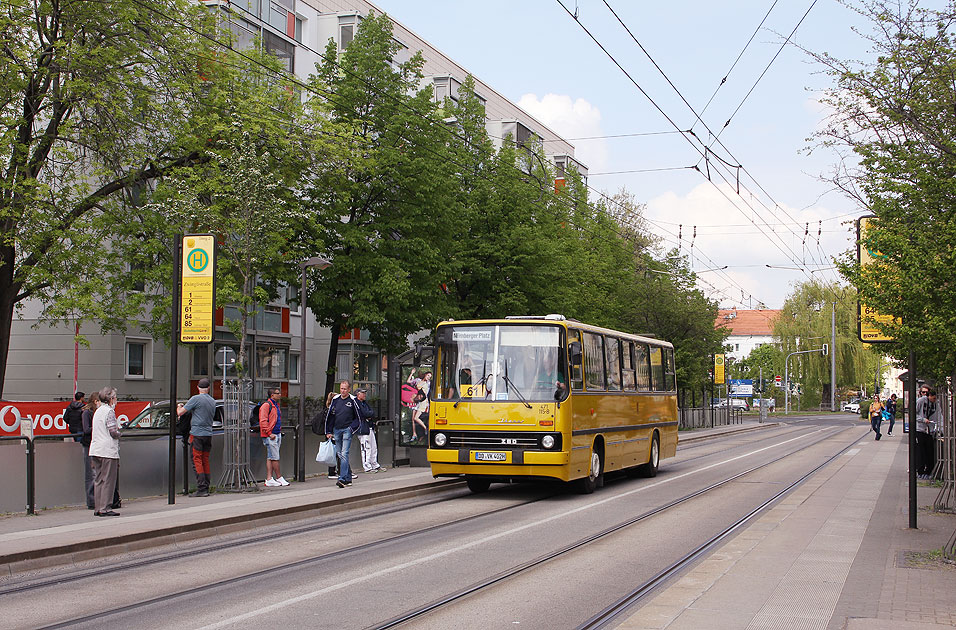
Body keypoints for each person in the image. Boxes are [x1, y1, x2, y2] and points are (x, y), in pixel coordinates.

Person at [177, 377, 216, 496]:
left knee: (197, 460)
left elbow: (181, 413)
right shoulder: (212, 401)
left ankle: (201, 488)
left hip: (197, 434)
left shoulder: (195, 399)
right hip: (208, 434)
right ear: (209, 388)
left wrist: (179, 406)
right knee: (205, 460)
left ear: (198, 387)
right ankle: (207, 485)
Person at [324, 380, 363, 488]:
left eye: (345, 389)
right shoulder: (336, 400)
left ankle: (342, 478)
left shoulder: (353, 400)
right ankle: (348, 477)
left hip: (347, 429)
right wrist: (328, 431)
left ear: (349, 389)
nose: (343, 391)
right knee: (340, 454)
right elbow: (330, 416)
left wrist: (351, 429)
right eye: (341, 388)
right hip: (337, 429)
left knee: (344, 453)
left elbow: (358, 417)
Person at [89, 387, 121, 517]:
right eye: (115, 397)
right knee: (109, 479)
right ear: (111, 399)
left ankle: (98, 507)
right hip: (107, 450)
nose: (116, 400)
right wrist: (120, 433)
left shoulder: (98, 411)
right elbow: (113, 432)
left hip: (95, 449)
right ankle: (105, 507)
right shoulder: (109, 412)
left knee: (98, 479)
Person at [259, 387, 288, 487]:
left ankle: (269, 478)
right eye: (277, 393)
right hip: (271, 435)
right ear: (272, 395)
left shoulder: (275, 405)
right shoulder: (267, 405)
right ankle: (279, 477)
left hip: (275, 433)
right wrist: (269, 433)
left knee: (271, 456)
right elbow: (263, 421)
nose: (279, 395)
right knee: (275, 457)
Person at [355, 388, 386, 474]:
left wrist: (369, 414)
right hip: (362, 428)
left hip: (369, 426)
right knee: (366, 447)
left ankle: (374, 463)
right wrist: (368, 414)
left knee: (373, 446)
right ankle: (367, 466)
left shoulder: (364, 403)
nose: (365, 395)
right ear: (358, 394)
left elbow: (372, 413)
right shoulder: (357, 403)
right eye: (363, 393)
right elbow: (364, 413)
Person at [915, 388, 940, 479]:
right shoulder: (921, 401)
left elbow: (938, 414)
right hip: (920, 429)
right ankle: (920, 471)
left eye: (935, 399)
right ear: (929, 396)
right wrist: (922, 420)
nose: (934, 400)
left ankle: (929, 471)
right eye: (933, 398)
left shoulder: (936, 404)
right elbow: (914, 413)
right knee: (921, 451)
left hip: (930, 430)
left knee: (929, 451)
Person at [80, 392, 97, 509]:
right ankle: (91, 501)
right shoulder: (87, 413)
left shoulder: (96, 412)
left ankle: (96, 499)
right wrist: (98, 426)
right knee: (90, 474)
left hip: (95, 443)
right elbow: (86, 429)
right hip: (88, 443)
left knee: (95, 473)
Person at [408, 369, 431, 442]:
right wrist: (411, 373)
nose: (428, 377)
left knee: (416, 418)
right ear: (425, 374)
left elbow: (425, 393)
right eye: (428, 375)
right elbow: (408, 382)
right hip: (417, 400)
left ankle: (425, 428)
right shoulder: (418, 380)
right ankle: (414, 434)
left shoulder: (428, 383)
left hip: (423, 401)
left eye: (429, 377)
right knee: (413, 418)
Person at [324, 390, 338, 479]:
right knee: (333, 452)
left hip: (332, 432)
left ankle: (333, 470)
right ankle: (331, 472)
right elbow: (329, 423)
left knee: (335, 452)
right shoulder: (331, 410)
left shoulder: (330, 409)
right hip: (332, 433)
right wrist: (329, 432)